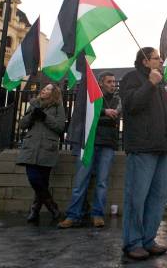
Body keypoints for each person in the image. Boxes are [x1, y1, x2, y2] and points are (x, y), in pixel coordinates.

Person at [120, 47, 167, 261]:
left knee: (158, 197)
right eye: (156, 58)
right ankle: (132, 242)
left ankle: (148, 239)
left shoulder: (160, 84)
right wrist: (149, 83)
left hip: (161, 147)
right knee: (137, 197)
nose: (161, 61)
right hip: (142, 147)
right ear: (145, 61)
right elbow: (131, 105)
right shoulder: (131, 78)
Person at [58, 72, 121, 229]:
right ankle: (73, 215)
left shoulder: (118, 99)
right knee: (80, 181)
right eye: (109, 82)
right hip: (88, 143)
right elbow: (84, 115)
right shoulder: (91, 98)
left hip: (107, 143)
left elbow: (116, 114)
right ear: (100, 83)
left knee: (102, 182)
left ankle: (97, 214)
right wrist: (104, 112)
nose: (113, 84)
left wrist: (98, 115)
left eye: (114, 82)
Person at [16, 83, 65, 223]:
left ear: (54, 93)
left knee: (42, 182)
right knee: (34, 179)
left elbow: (60, 127)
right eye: (44, 88)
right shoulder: (34, 104)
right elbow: (22, 124)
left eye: (48, 88)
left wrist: (44, 117)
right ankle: (52, 207)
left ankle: (35, 211)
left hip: (47, 148)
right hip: (31, 148)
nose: (44, 89)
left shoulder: (58, 107)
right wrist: (32, 115)